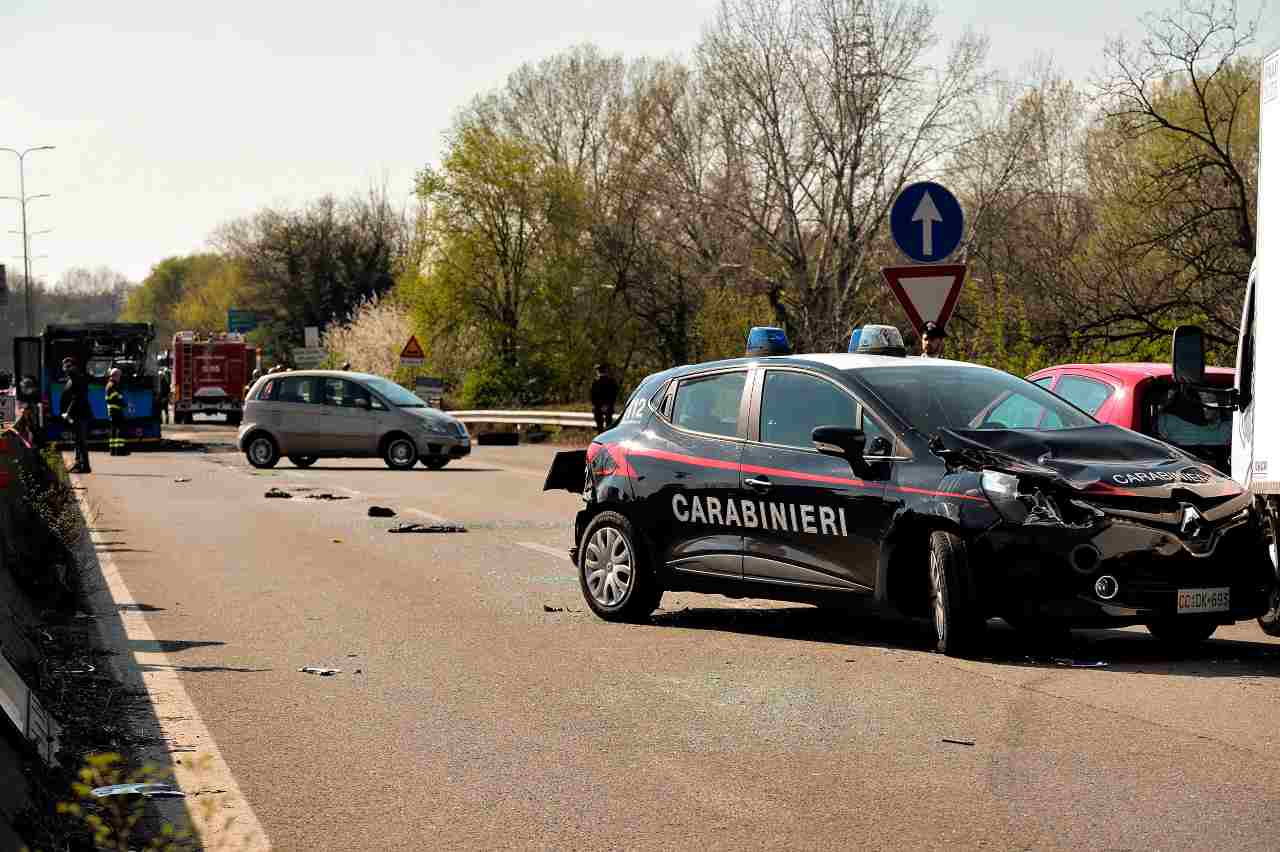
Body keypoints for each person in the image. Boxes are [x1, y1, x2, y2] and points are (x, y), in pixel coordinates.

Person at [59, 356, 93, 473]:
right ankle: (78, 464)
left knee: (81, 441)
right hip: (75, 415)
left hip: (80, 414)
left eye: (68, 366)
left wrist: (68, 413)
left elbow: (77, 397)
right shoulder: (72, 378)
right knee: (77, 441)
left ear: (73, 366)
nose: (66, 369)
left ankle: (85, 466)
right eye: (65, 366)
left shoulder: (77, 378)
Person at [106, 367, 130, 457]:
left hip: (113, 411)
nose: (120, 378)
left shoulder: (110, 384)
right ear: (115, 376)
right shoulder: (113, 385)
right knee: (120, 430)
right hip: (116, 410)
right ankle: (119, 450)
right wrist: (124, 404)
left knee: (114, 430)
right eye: (119, 376)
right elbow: (116, 398)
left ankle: (113, 451)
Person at [590, 363, 620, 432]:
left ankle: (600, 438)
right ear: (606, 371)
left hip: (598, 407)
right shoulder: (612, 381)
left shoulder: (595, 382)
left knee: (599, 426)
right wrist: (608, 404)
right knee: (609, 425)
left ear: (598, 371)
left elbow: (592, 396)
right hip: (609, 406)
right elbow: (614, 394)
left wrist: (598, 405)